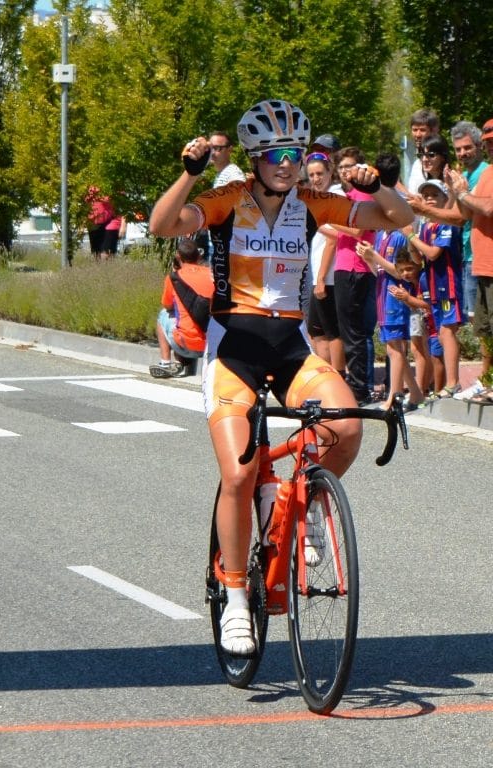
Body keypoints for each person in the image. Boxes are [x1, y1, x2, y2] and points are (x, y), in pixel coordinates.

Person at [148, 99, 412, 656]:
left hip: (290, 344)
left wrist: (378, 184)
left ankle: (306, 505)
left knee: (345, 427)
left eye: (297, 154)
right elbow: (162, 224)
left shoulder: (315, 203)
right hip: (233, 347)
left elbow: (399, 219)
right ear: (254, 158)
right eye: (276, 155)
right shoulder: (226, 200)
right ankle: (237, 599)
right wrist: (190, 173)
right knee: (240, 476)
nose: (288, 164)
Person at [330, 147, 379, 405]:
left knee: (354, 332)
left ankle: (359, 388)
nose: (345, 172)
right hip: (345, 266)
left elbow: (359, 230)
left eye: (350, 166)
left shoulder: (362, 194)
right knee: (349, 330)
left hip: (355, 269)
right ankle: (356, 383)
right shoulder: (350, 195)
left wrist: (328, 216)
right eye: (341, 168)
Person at [449, 119, 493, 401]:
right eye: (489, 140)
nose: (490, 145)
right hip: (482, 261)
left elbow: (488, 208)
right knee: (485, 329)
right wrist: (457, 191)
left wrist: (463, 193)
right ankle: (488, 383)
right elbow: (468, 215)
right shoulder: (488, 174)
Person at [356, 240, 426, 410]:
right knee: (392, 350)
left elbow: (397, 272)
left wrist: (375, 256)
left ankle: (394, 396)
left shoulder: (398, 236)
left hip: (395, 302)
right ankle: (416, 394)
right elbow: (380, 272)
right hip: (383, 299)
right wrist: (369, 260)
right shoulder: (380, 235)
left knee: (395, 350)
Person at [411, 179, 464, 398]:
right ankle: (445, 385)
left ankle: (453, 382)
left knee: (446, 332)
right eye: (426, 195)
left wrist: (410, 236)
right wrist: (413, 236)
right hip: (431, 286)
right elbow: (418, 257)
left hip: (447, 285)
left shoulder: (446, 223)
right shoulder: (425, 226)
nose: (430, 199)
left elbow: (433, 253)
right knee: (439, 335)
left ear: (445, 199)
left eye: (435, 195)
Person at [150, 237, 212, 378]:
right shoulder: (212, 274)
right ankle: (184, 364)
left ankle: (166, 362)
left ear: (178, 256)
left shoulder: (174, 278)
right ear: (199, 255)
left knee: (164, 315)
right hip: (211, 345)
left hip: (184, 344)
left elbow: (167, 305)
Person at [304, 153, 343, 368]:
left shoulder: (335, 197)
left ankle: (337, 379)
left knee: (330, 333)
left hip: (328, 277)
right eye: (311, 175)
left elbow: (334, 240)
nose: (316, 179)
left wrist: (320, 278)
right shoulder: (319, 199)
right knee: (316, 333)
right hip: (319, 273)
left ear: (330, 172)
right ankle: (324, 379)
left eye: (320, 173)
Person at [449, 121, 488, 319]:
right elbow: (462, 215)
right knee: (476, 320)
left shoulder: (485, 173)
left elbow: (460, 217)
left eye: (467, 147)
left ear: (479, 146)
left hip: (482, 256)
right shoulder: (463, 175)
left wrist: (423, 209)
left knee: (483, 320)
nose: (462, 153)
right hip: (468, 252)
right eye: (458, 149)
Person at [407, 108, 440, 194]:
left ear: (434, 131)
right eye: (414, 130)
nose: (417, 135)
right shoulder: (417, 163)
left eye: (422, 130)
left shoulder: (436, 161)